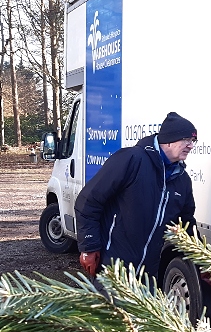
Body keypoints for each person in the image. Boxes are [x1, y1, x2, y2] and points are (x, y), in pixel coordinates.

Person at [76, 112, 198, 280]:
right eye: (187, 140)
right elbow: (88, 201)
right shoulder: (132, 159)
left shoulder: (182, 180)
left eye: (193, 141)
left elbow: (186, 225)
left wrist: (201, 261)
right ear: (169, 140)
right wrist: (89, 247)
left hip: (148, 275)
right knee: (110, 308)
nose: (191, 145)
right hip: (113, 268)